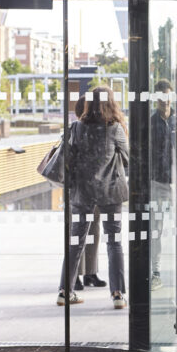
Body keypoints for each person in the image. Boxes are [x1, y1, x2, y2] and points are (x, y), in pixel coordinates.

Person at [57, 85, 129, 309]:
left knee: (75, 242)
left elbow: (68, 159)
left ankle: (64, 291)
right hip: (110, 193)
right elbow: (128, 158)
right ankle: (117, 295)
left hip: (83, 193)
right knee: (114, 242)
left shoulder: (77, 128)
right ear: (111, 103)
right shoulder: (115, 128)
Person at [72, 92, 105, 291]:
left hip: (95, 190)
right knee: (77, 235)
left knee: (94, 231)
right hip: (78, 191)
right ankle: (74, 274)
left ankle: (90, 273)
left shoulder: (100, 131)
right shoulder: (75, 129)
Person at [150, 78, 177, 290]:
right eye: (161, 97)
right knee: (156, 229)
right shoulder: (149, 122)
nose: (165, 100)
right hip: (158, 183)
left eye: (167, 96)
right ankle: (156, 271)